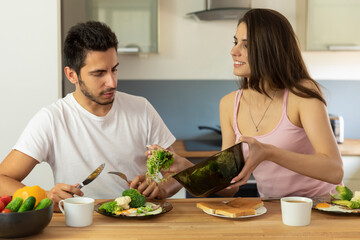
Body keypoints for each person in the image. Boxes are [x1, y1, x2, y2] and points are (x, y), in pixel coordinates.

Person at [152, 8, 344, 198]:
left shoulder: (301, 94)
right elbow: (229, 185)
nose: (233, 51)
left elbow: (334, 171)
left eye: (245, 45)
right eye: (236, 42)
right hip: (273, 211)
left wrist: (269, 152)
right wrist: (187, 167)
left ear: (270, 48)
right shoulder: (229, 104)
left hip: (321, 208)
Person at [0, 21, 178, 209]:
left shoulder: (141, 109)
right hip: (79, 225)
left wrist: (160, 188)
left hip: (138, 221)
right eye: (99, 73)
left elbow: (178, 173)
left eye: (114, 69)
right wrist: (46, 195)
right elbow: (2, 179)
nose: (111, 82)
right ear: (72, 75)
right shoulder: (52, 119)